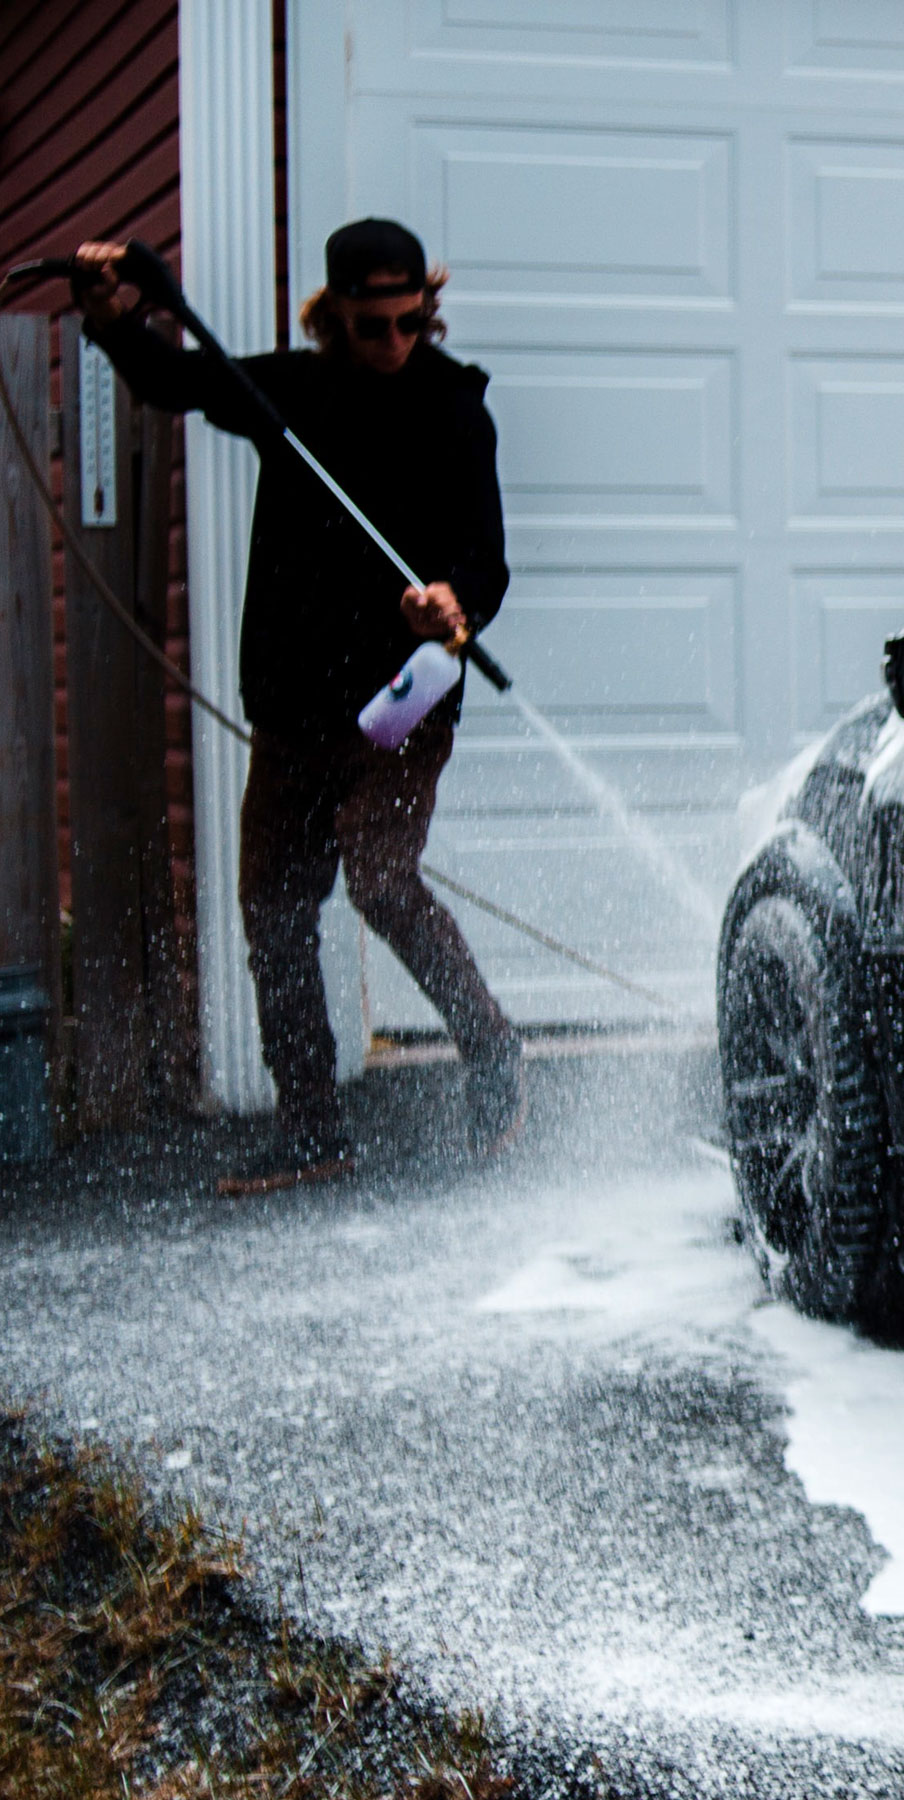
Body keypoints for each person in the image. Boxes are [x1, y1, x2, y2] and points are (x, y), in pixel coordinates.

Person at [73, 218, 524, 1195]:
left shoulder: (455, 409)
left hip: (403, 698)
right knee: (274, 910)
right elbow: (172, 380)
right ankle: (312, 1126)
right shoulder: (292, 394)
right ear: (334, 318)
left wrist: (453, 604)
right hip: (292, 705)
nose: (396, 344)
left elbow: (484, 562)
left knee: (380, 879)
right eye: (374, 326)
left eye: (412, 322)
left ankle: (491, 1052)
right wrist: (113, 323)